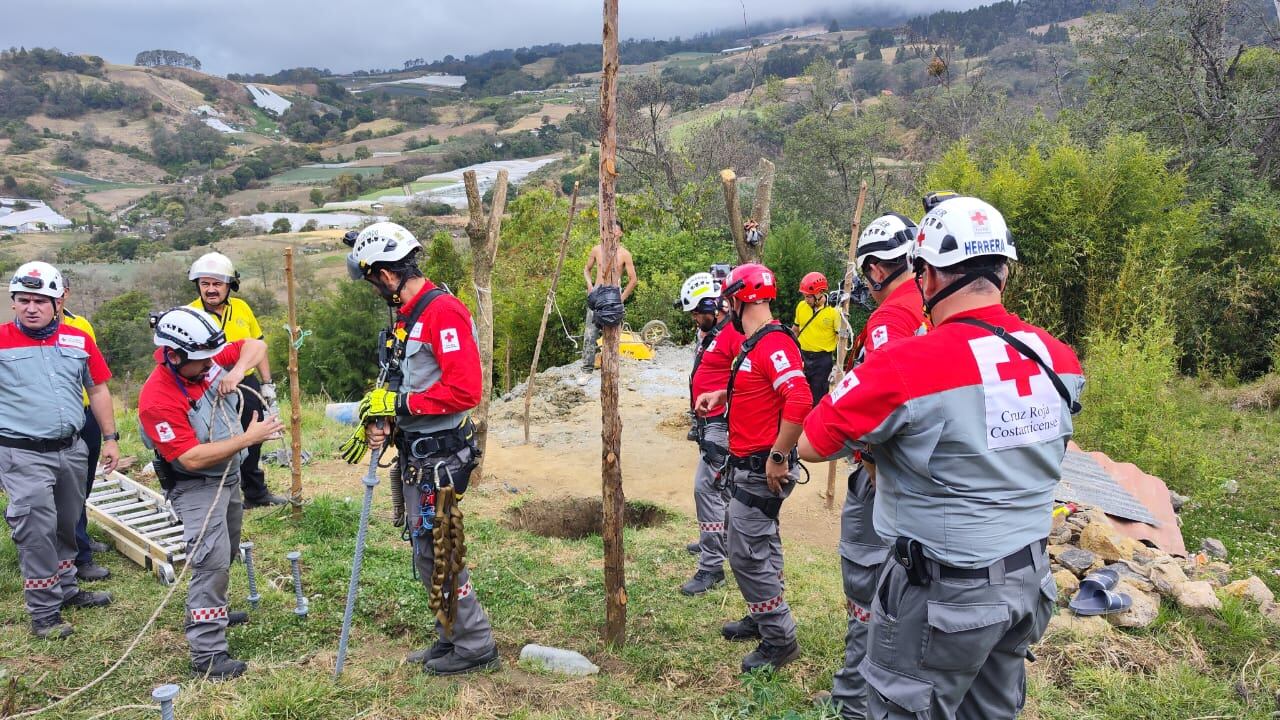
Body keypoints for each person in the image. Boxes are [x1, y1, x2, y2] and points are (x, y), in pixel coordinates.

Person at [799, 197, 1083, 719]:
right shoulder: (1058, 359)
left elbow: (812, 443)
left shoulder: (906, 365)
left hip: (943, 595)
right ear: (1003, 272)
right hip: (1028, 583)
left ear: (926, 277)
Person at [341, 221, 499, 676]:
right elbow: (405, 378)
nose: (374, 289)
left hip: (442, 459)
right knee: (426, 550)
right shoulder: (408, 317)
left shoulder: (442, 312)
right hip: (417, 454)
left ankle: (475, 643)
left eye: (372, 280)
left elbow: (466, 390)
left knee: (442, 549)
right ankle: (450, 635)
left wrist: (401, 403)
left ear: (386, 275)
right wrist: (384, 419)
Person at [825, 212, 928, 720]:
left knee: (866, 584)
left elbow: (888, 398)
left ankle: (854, 699)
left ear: (878, 267)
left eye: (868, 270)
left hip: (882, 472)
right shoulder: (932, 308)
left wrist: (864, 453)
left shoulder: (891, 318)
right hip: (924, 475)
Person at [138, 306, 278, 678]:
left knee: (226, 552)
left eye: (210, 359)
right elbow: (191, 457)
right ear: (173, 355)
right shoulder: (157, 398)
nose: (207, 366)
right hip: (197, 487)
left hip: (228, 479)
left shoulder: (207, 357)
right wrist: (249, 438)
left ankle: (212, 611)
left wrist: (234, 371)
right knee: (210, 561)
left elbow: (254, 347)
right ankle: (208, 654)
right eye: (200, 361)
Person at [694, 263, 811, 673]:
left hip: (764, 467)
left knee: (744, 553)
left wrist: (778, 457)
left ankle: (779, 638)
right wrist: (718, 397)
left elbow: (799, 399)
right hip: (751, 464)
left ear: (740, 298)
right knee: (762, 544)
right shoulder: (755, 344)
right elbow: (754, 390)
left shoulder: (773, 344)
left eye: (729, 300)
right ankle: (764, 616)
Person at [0, 261, 118, 639]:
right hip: (22, 453)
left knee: (68, 522)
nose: (30, 307)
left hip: (72, 449)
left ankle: (67, 588)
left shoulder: (78, 340)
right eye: (22, 300)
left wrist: (111, 437)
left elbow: (98, 388)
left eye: (39, 300)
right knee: (35, 530)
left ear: (57, 302)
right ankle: (44, 612)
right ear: (14, 302)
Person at [187, 252, 286, 508]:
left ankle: (255, 492)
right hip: (210, 389)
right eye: (205, 284)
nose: (211, 290)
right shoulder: (188, 315)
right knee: (217, 441)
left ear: (229, 285)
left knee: (253, 437)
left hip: (246, 384)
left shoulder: (241, 308)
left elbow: (258, 344)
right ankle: (219, 496)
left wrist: (267, 384)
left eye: (217, 284)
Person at [676, 272, 744, 596]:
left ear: (712, 306)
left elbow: (743, 377)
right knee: (722, 488)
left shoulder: (732, 332)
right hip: (708, 420)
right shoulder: (712, 330)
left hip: (721, 421)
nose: (693, 318)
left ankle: (712, 565)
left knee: (707, 488)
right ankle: (719, 541)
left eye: (696, 311)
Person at [60, 280, 112, 582]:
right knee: (66, 487)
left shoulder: (81, 326)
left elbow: (94, 377)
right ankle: (79, 556)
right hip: (53, 421)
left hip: (85, 412)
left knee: (83, 482)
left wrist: (109, 434)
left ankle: (79, 537)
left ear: (65, 293)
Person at [581, 219, 637, 374]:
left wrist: (622, 298)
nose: (612, 232)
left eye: (616, 229)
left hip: (613, 296)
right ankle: (586, 370)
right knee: (590, 333)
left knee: (612, 334)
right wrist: (590, 285)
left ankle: (610, 368)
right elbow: (587, 269)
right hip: (598, 294)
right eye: (609, 229)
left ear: (621, 233)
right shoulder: (596, 250)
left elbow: (633, 279)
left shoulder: (625, 254)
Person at [791, 272, 840, 406]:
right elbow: (795, 329)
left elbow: (841, 340)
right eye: (804, 296)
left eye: (809, 296)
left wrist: (839, 366)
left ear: (820, 293)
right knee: (798, 395)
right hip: (802, 356)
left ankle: (815, 425)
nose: (806, 299)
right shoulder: (801, 306)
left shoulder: (833, 312)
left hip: (822, 361)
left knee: (818, 398)